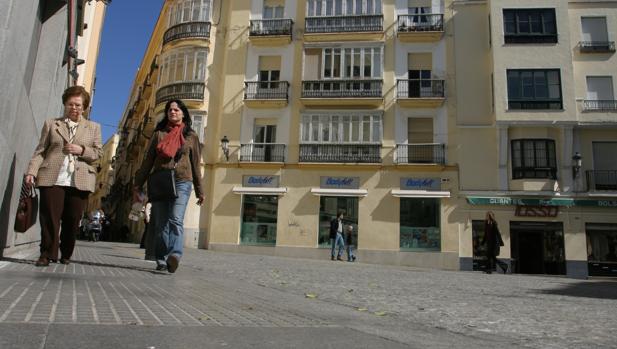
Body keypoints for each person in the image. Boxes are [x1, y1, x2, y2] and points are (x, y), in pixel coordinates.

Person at [24, 86, 102, 266]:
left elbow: (99, 154)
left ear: (84, 107)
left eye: (78, 105)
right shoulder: (52, 124)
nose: (74, 108)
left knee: (72, 220)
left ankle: (66, 252)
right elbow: (40, 151)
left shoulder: (93, 128)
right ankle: (46, 254)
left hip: (79, 179)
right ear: (65, 104)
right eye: (70, 104)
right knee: (49, 218)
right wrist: (31, 171)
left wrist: (81, 149)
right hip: (52, 175)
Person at [133, 99, 204, 273]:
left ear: (183, 113)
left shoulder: (191, 136)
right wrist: (138, 184)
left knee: (175, 219)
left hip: (182, 181)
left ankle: (175, 255)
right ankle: (162, 259)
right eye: (170, 110)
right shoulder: (159, 134)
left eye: (177, 110)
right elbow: (148, 160)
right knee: (162, 223)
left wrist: (200, 190)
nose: (173, 112)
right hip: (162, 180)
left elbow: (195, 164)